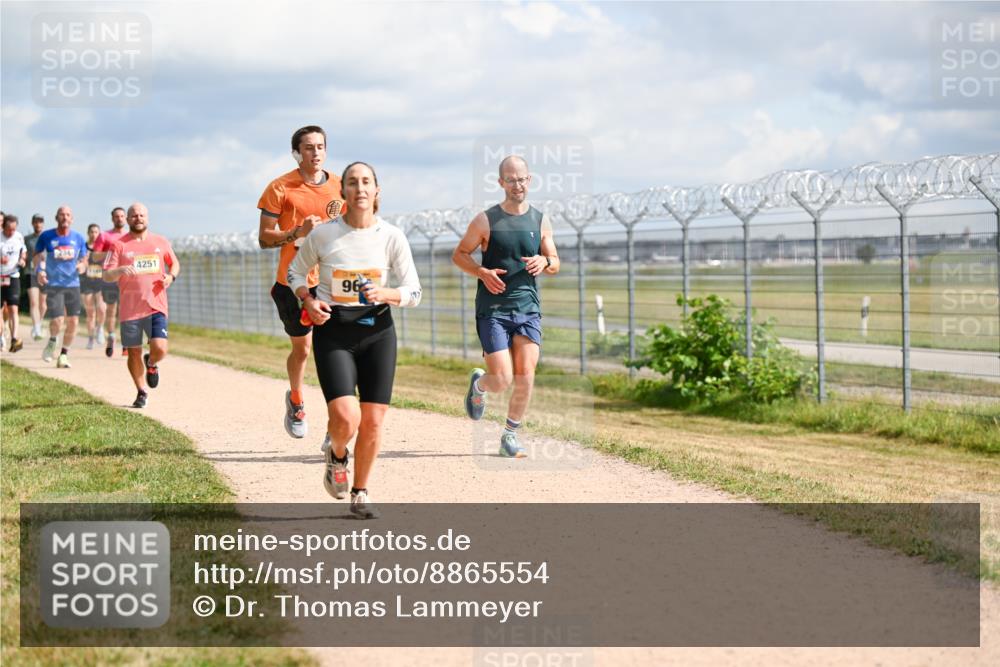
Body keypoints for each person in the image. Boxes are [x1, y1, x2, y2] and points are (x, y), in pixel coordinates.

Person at [288, 161, 421, 518]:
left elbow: (414, 292)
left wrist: (386, 293)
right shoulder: (324, 235)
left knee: (374, 421)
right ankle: (337, 453)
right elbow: (295, 272)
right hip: (335, 332)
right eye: (352, 182)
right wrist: (309, 299)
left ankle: (360, 491)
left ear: (377, 191)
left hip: (378, 332)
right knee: (347, 418)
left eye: (366, 182)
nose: (360, 188)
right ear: (343, 192)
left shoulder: (391, 236)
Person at [451, 155, 561, 458]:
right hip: (494, 309)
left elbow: (555, 262)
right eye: (511, 179)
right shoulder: (486, 220)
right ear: (501, 183)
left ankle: (510, 434)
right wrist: (481, 272)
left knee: (526, 375)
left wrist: (545, 260)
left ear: (530, 179)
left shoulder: (540, 220)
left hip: (527, 307)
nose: (517, 184)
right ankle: (480, 386)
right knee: (502, 379)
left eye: (522, 178)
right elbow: (460, 254)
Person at [258, 125, 345, 440]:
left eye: (320, 146)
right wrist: (297, 232)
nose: (316, 152)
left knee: (335, 353)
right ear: (297, 152)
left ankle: (335, 425)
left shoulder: (340, 186)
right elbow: (264, 239)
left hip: (333, 284)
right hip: (293, 284)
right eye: (308, 147)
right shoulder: (280, 188)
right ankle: (296, 400)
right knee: (304, 349)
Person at [102, 203, 180, 408]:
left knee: (160, 348)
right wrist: (119, 270)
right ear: (127, 220)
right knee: (133, 351)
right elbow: (106, 274)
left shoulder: (160, 241)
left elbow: (175, 263)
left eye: (141, 215)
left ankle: (152, 363)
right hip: (130, 309)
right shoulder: (119, 245)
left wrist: (170, 276)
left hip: (156, 304)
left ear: (147, 218)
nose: (138, 218)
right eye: (134, 216)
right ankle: (141, 391)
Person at [34, 206, 88, 368]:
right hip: (54, 284)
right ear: (56, 218)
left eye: (68, 215)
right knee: (57, 319)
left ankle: (64, 355)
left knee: (73, 321)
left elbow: (84, 259)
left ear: (72, 219)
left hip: (73, 285)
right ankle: (52, 341)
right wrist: (40, 271)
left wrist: (82, 267)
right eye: (62, 215)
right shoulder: (46, 236)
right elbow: (37, 256)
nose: (65, 217)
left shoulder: (78, 238)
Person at [91, 207, 128, 356]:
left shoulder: (130, 236)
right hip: (111, 277)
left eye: (122, 216)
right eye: (116, 216)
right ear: (112, 219)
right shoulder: (104, 236)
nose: (119, 219)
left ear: (126, 218)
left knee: (127, 311)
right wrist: (112, 252)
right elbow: (94, 257)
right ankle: (111, 336)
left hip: (128, 278)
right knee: (112, 311)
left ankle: (127, 342)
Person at [1, 214, 27, 352]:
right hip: (0, 275)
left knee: (13, 309)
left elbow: (23, 251)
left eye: (13, 229)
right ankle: (1, 337)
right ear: (3, 226)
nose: (11, 232)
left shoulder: (18, 236)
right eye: (8, 229)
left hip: (13, 276)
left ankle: (14, 339)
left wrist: (22, 259)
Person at [80, 223, 108, 350]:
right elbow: (80, 262)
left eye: (96, 232)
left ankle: (100, 328)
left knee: (102, 308)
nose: (94, 234)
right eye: (91, 231)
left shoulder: (103, 248)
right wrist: (83, 262)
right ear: (88, 233)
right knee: (90, 312)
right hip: (87, 281)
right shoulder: (84, 247)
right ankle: (91, 338)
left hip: (101, 281)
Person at [22, 214, 47, 340]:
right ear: (32, 223)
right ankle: (37, 328)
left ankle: (39, 323)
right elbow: (22, 253)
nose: (38, 224)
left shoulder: (48, 237)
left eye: (40, 222)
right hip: (31, 272)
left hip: (46, 273)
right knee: (33, 302)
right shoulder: (27, 239)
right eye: (36, 222)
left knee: (43, 304)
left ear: (43, 223)